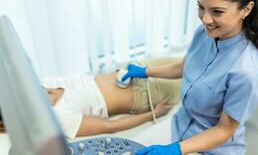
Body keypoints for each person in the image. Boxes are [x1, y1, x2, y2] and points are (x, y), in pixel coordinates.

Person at [123, 0, 258, 154]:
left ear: (246, 9)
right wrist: (145, 71)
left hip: (211, 147)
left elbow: (224, 130)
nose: (205, 19)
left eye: (217, 12)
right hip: (179, 124)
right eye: (201, 7)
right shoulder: (205, 34)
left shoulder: (249, 72)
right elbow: (183, 66)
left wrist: (175, 149)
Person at [0, 57, 182, 139]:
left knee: (189, 60)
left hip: (138, 69)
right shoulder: (59, 118)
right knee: (199, 75)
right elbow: (111, 127)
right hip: (144, 94)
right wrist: (154, 113)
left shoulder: (43, 82)